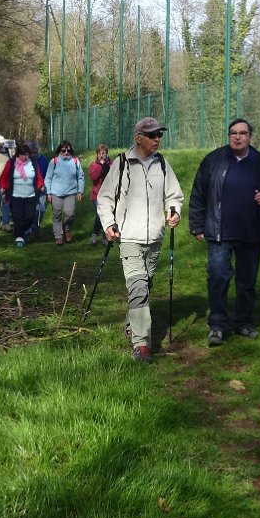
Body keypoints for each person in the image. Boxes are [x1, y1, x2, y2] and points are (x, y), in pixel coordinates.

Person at [189, 118, 260, 348]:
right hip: (219, 233)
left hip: (252, 233)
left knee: (247, 282)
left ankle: (243, 322)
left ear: (250, 136)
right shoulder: (214, 160)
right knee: (218, 278)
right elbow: (199, 192)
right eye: (233, 133)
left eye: (242, 133)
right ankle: (217, 325)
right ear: (229, 135)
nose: (237, 137)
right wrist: (196, 224)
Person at [97, 117, 184, 363]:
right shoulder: (122, 163)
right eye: (152, 135)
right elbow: (105, 198)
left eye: (159, 135)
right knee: (137, 287)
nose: (157, 139)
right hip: (129, 237)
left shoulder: (162, 164)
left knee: (144, 286)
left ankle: (131, 325)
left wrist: (174, 211)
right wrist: (108, 224)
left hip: (155, 238)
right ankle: (141, 344)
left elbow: (174, 195)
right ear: (138, 137)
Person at [0, 142, 45, 247]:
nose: (24, 157)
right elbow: (4, 176)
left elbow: (38, 176)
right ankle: (19, 237)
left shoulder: (33, 163)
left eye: (26, 155)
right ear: (18, 154)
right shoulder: (11, 163)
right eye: (22, 155)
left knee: (30, 217)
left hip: (30, 195)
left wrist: (41, 185)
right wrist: (2, 186)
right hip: (15, 195)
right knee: (17, 217)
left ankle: (23, 231)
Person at [44, 140, 84, 245]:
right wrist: (48, 193)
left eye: (68, 150)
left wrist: (80, 191)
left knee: (70, 214)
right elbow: (48, 178)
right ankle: (58, 236)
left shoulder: (75, 161)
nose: (66, 152)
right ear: (59, 151)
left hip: (71, 192)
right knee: (56, 214)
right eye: (63, 150)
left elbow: (80, 177)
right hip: (56, 193)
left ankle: (67, 229)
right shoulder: (54, 161)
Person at [87, 143, 112, 246]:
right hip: (97, 195)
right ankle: (94, 234)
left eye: (103, 153)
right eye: (99, 153)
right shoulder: (94, 165)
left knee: (107, 216)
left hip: (108, 195)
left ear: (106, 154)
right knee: (99, 215)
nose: (101, 155)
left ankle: (105, 237)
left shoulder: (110, 165)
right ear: (97, 155)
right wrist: (100, 166)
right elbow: (93, 177)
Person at [31, 141, 49, 227]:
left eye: (35, 152)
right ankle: (32, 227)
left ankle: (36, 225)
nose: (33, 154)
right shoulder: (27, 160)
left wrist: (45, 185)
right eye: (32, 152)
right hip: (30, 189)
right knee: (33, 210)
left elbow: (47, 173)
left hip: (41, 188)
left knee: (42, 210)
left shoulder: (43, 159)